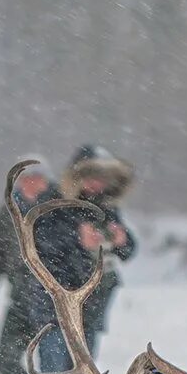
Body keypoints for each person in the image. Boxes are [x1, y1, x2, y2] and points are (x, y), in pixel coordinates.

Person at [0, 158, 90, 374]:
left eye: (36, 178)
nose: (30, 183)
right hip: (20, 295)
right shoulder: (9, 210)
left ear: (46, 181)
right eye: (25, 178)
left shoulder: (60, 207)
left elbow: (75, 253)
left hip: (53, 297)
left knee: (55, 367)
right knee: (6, 362)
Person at [61, 143, 138, 357]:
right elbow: (49, 246)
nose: (96, 183)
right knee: (62, 343)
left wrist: (121, 241)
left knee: (87, 344)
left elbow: (129, 250)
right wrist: (79, 242)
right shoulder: (60, 207)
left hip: (100, 287)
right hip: (68, 286)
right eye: (90, 176)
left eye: (101, 177)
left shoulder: (108, 207)